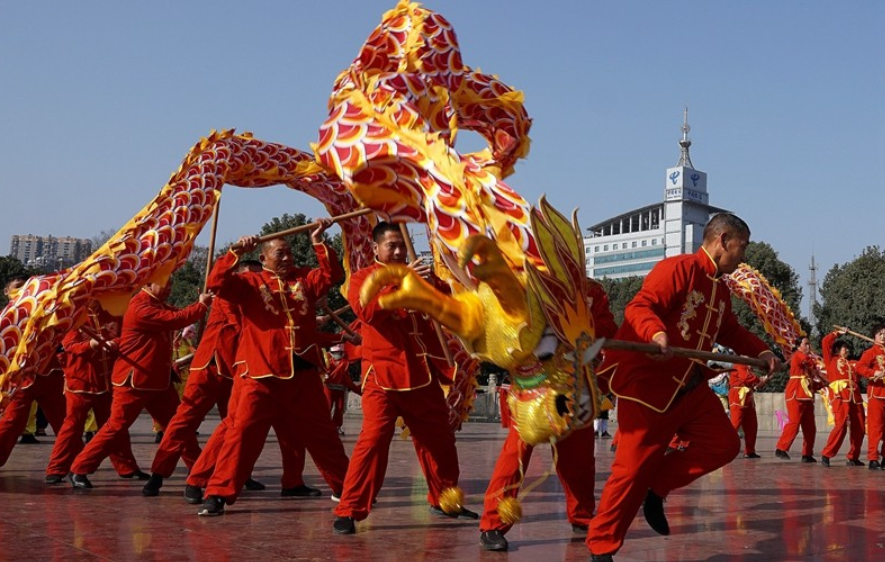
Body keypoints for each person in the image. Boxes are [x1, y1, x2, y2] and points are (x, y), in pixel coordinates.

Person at [586, 213, 780, 562]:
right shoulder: (677, 268)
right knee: (629, 472)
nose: (744, 255)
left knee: (722, 444)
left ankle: (657, 485)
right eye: (742, 246)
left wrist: (762, 350)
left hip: (689, 387)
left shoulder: (721, 289)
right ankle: (601, 547)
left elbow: (731, 331)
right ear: (722, 240)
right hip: (648, 389)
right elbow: (640, 306)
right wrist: (655, 332)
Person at [332, 222, 477, 535]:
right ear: (376, 248)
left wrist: (434, 285)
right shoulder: (363, 278)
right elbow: (367, 312)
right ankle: (350, 509)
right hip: (382, 375)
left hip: (422, 372)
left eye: (401, 245)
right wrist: (402, 285)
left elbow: (447, 306)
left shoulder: (419, 274)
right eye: (391, 245)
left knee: (439, 441)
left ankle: (445, 499)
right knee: (372, 442)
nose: (398, 251)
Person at [197, 220, 350, 516]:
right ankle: (218, 493)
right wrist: (234, 253)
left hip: (302, 371)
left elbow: (333, 274)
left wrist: (318, 241)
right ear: (264, 258)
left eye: (289, 252)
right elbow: (216, 283)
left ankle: (346, 487)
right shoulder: (248, 284)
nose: (287, 258)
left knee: (323, 434)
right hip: (260, 373)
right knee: (242, 434)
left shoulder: (303, 279)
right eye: (280, 254)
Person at [479, 279, 618, 552]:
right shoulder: (523, 287)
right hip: (534, 384)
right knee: (515, 455)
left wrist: (579, 332)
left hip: (574, 384)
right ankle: (493, 523)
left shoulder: (590, 291)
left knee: (578, 459)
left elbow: (606, 328)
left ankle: (582, 516)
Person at [68, 280, 211, 488]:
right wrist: (201, 306)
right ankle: (79, 468)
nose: (170, 288)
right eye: (166, 284)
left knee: (180, 428)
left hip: (159, 381)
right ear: (150, 284)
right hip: (134, 380)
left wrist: (202, 304)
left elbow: (180, 314)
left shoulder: (157, 304)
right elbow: (177, 319)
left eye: (171, 283)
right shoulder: (140, 306)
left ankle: (200, 469)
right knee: (115, 427)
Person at [45, 303, 144, 483]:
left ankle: (126, 467)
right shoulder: (73, 316)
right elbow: (70, 346)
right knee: (72, 427)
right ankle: (56, 468)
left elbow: (128, 337)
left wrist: (115, 343)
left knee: (114, 427)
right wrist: (90, 344)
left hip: (107, 381)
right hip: (80, 381)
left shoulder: (114, 312)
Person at [0, 276, 67, 467]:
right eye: (16, 288)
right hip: (20, 377)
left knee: (64, 423)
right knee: (11, 422)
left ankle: (70, 466)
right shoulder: (6, 317)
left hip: (50, 374)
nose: (21, 291)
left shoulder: (47, 310)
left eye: (24, 287)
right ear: (7, 292)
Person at [820, 328, 865, 467]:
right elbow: (825, 342)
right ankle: (826, 454)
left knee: (860, 426)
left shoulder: (853, 364)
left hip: (855, 397)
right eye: (843, 348)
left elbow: (865, 367)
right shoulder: (831, 360)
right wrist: (837, 333)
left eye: (846, 348)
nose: (846, 350)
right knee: (841, 425)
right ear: (837, 350)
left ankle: (853, 457)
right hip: (840, 396)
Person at [775, 337, 825, 462]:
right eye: (806, 344)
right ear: (798, 346)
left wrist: (820, 384)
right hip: (796, 393)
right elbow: (809, 362)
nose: (808, 346)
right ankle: (781, 448)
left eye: (809, 344)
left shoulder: (806, 359)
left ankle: (807, 453)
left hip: (806, 394)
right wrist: (815, 359)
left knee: (810, 427)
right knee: (795, 422)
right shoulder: (798, 355)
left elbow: (813, 375)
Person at [857, 324, 885, 469]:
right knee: (875, 427)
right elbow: (860, 367)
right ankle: (873, 458)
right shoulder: (871, 352)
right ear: (874, 336)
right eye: (880, 334)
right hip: (877, 393)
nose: (883, 336)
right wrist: (874, 373)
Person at [728, 364, 768, 459]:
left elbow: (752, 383)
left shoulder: (747, 368)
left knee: (752, 425)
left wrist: (762, 382)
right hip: (738, 396)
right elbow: (745, 377)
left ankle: (750, 451)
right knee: (735, 423)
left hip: (747, 396)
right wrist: (759, 380)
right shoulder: (739, 364)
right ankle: (723, 449)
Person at [323, 344, 362, 435]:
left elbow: (345, 377)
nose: (337, 354)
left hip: (341, 387)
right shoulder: (326, 358)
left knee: (340, 408)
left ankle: (336, 426)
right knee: (327, 407)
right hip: (328, 387)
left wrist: (356, 389)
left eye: (339, 352)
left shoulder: (345, 361)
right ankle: (325, 426)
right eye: (335, 352)